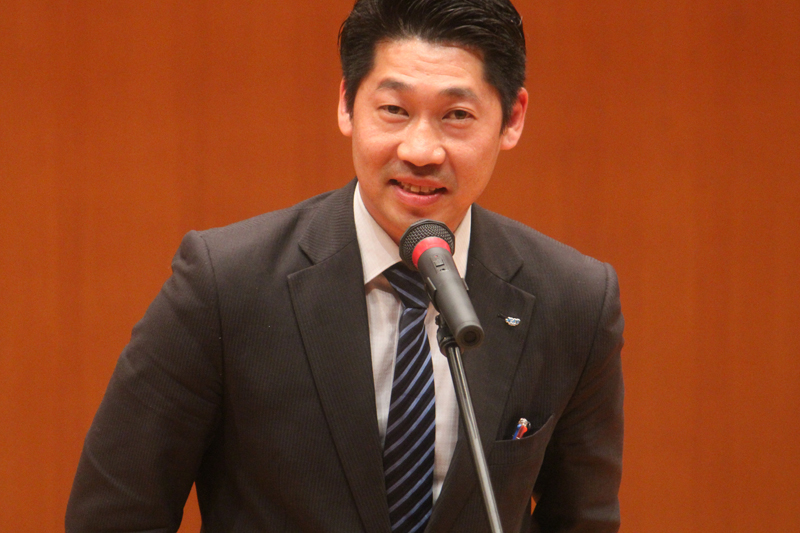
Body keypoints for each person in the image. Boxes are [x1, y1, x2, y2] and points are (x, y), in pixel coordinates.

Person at [66, 0, 624, 531]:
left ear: (512, 118)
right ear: (346, 104)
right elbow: (115, 516)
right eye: (394, 110)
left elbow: (583, 522)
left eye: (456, 115)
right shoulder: (225, 284)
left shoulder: (572, 300)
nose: (421, 151)